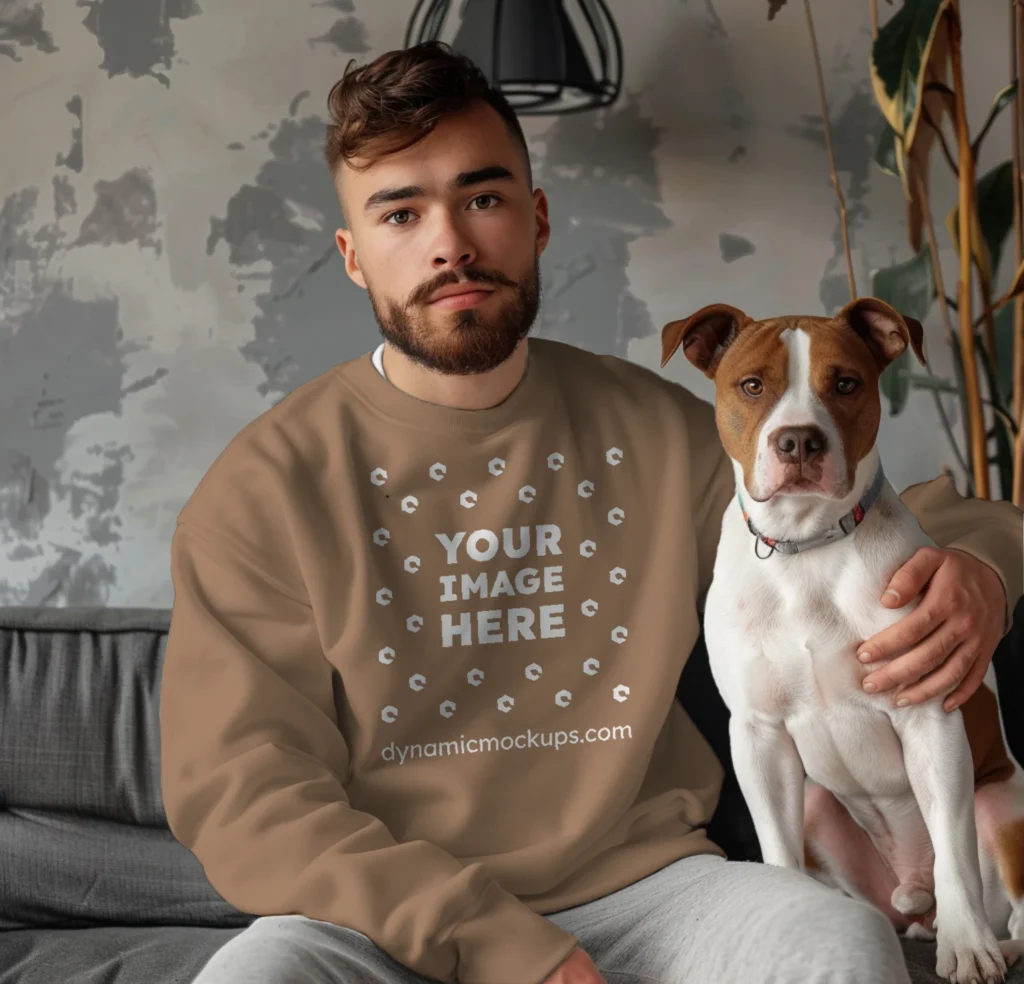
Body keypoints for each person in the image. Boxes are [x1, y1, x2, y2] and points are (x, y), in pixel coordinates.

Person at [161, 41, 1023, 984]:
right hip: (378, 920)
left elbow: (879, 512)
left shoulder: (657, 429)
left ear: (535, 221)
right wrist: (496, 944)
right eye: (400, 212)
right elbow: (246, 797)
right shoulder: (264, 486)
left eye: (482, 197)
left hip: (653, 894)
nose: (449, 241)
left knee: (839, 948)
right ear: (354, 257)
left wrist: (979, 572)